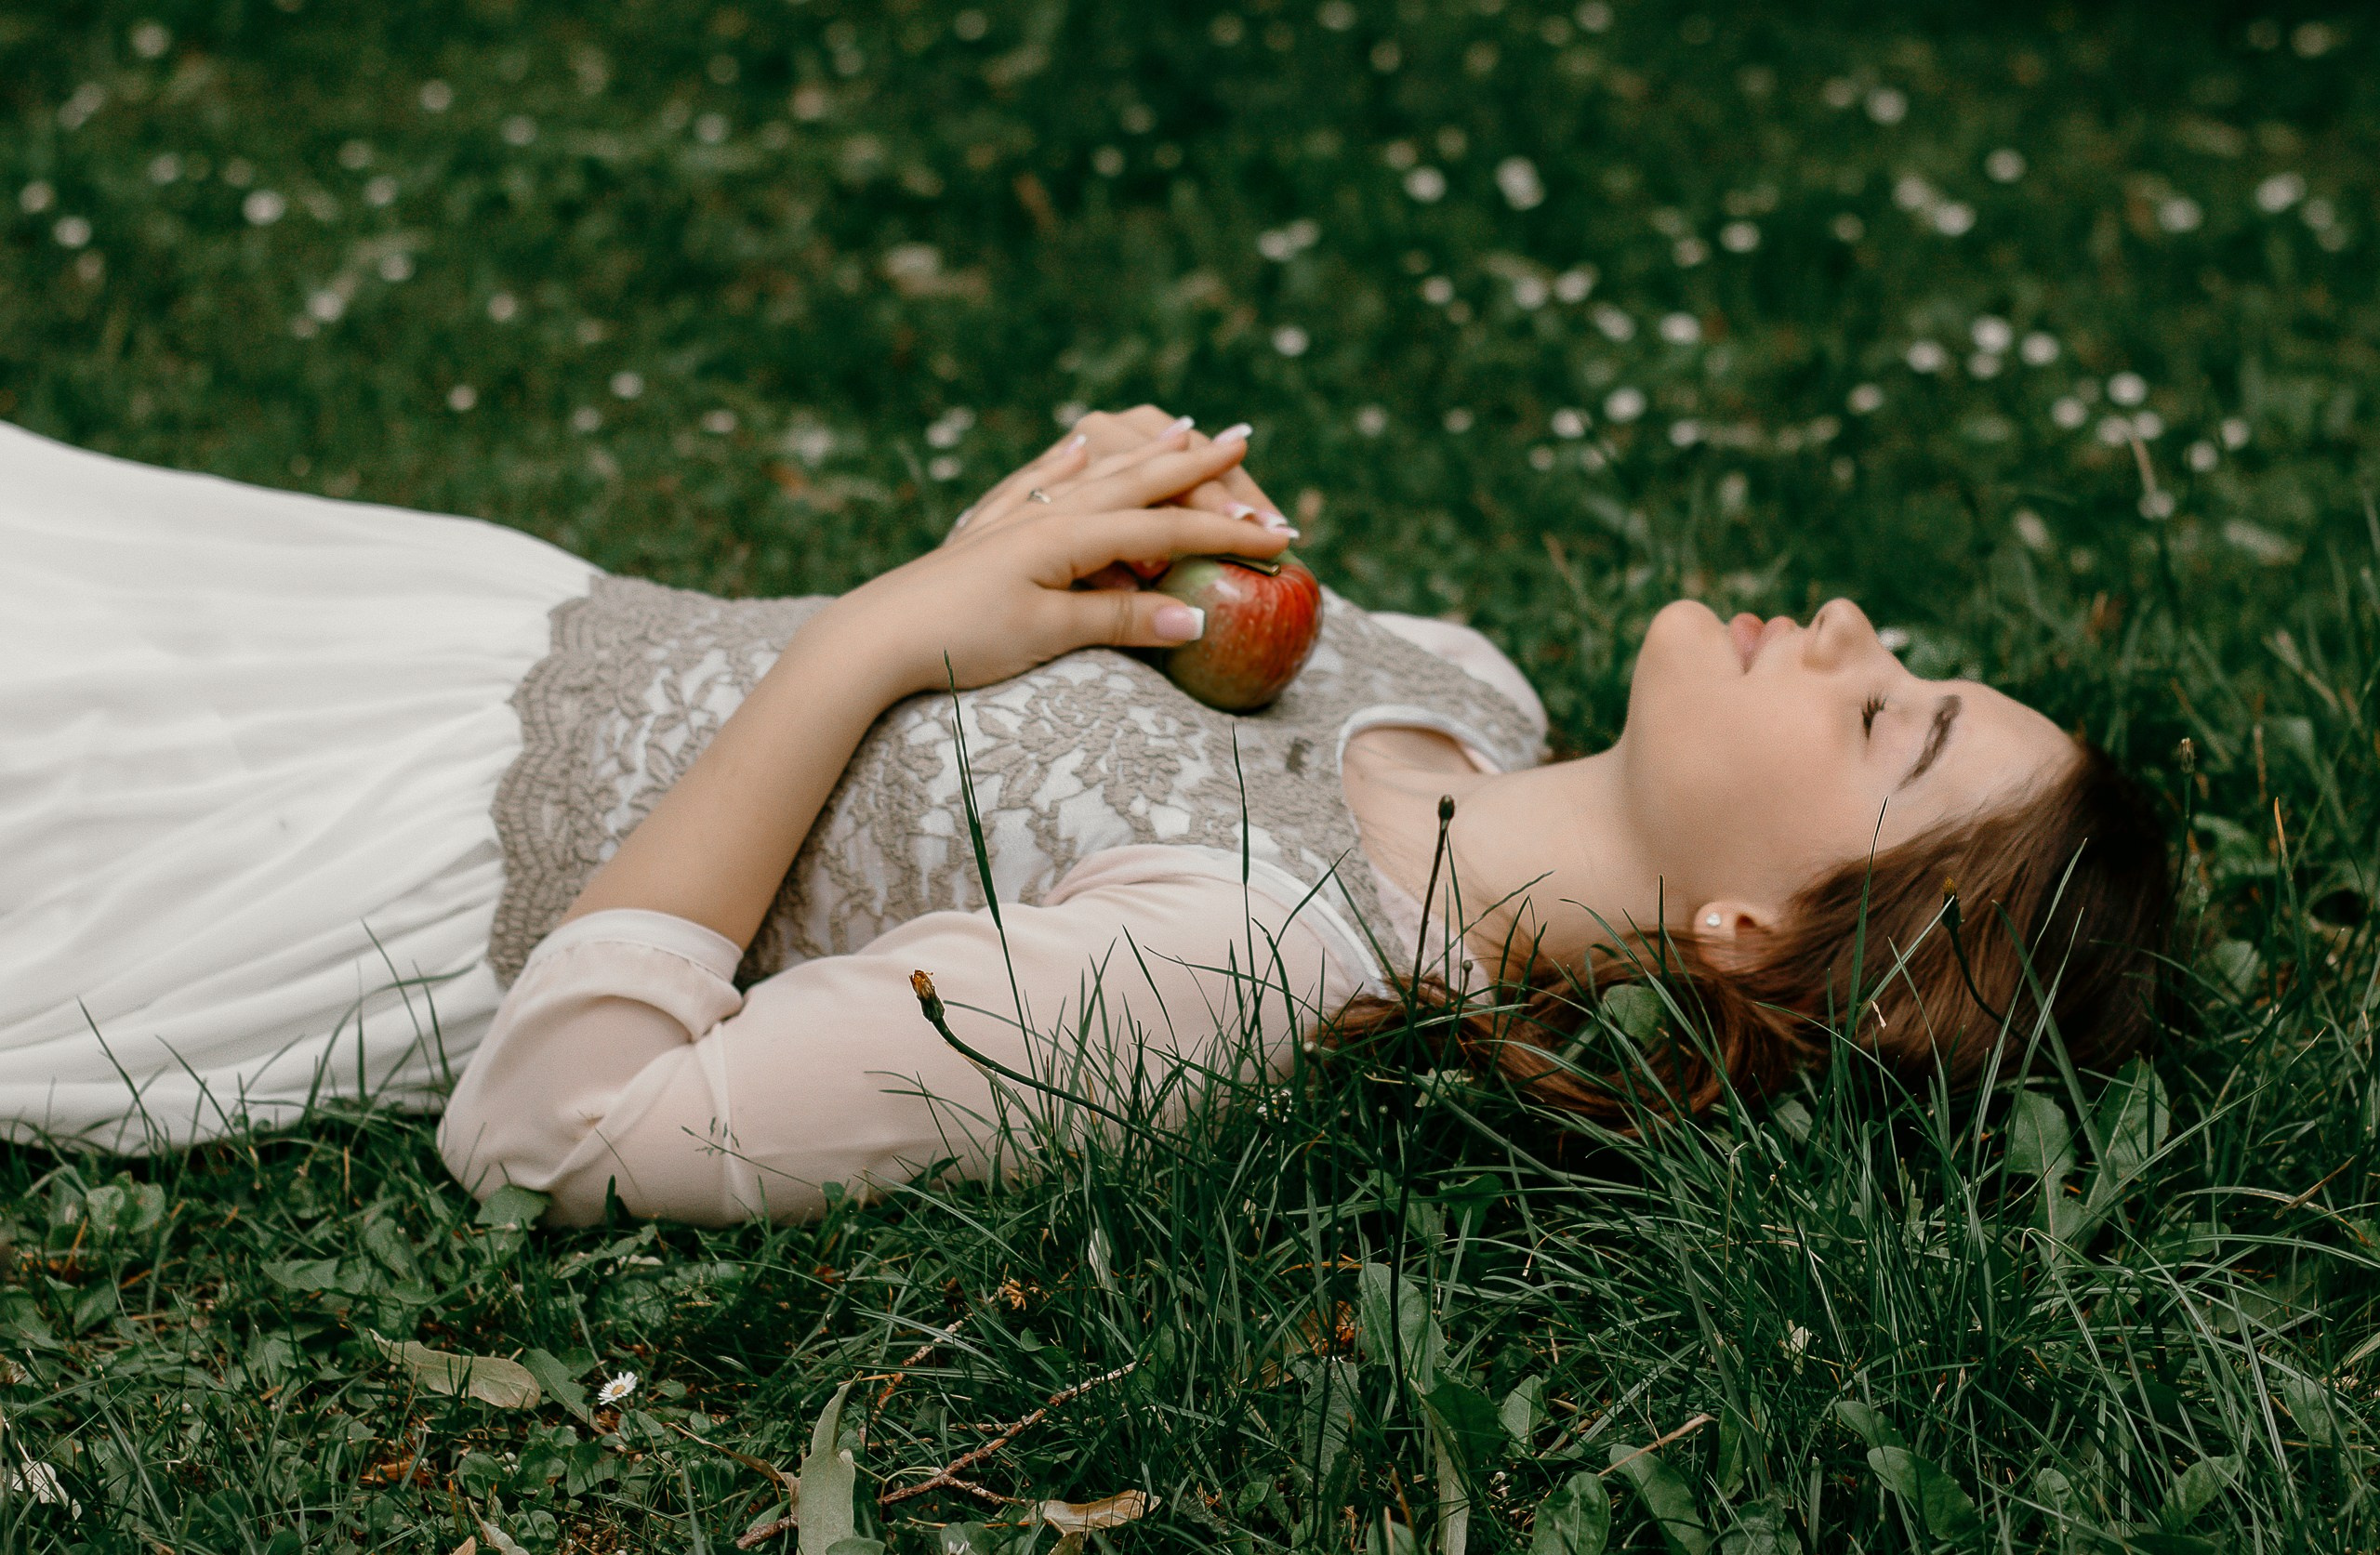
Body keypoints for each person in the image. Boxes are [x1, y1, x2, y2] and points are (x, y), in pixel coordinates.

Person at [0, 409, 2167, 1221]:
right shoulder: (1448, 683)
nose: (1861, 629)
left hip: (342, 842)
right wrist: (1036, 555)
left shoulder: (1233, 972)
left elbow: (557, 1139)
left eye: (1894, 726)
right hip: (449, 631)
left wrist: (879, 638)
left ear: (1752, 942)